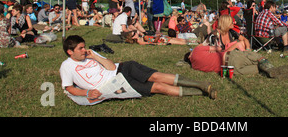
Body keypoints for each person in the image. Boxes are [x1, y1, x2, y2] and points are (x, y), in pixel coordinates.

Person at [60, 35, 217, 102]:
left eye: (84, 47)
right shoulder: (67, 67)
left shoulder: (89, 54)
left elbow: (109, 66)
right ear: (70, 51)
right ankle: (201, 92)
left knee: (157, 76)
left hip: (122, 68)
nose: (84, 50)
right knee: (159, 88)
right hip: (116, 83)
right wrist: (87, 92)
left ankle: (201, 84)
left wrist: (94, 56)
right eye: (80, 49)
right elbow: (69, 88)